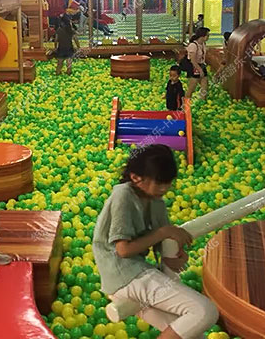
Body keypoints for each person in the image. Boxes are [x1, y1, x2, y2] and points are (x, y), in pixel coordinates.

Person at [92, 145, 218, 339]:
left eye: (168, 182)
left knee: (192, 334)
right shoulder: (123, 195)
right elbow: (123, 250)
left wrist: (175, 254)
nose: (165, 188)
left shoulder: (155, 200)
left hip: (136, 272)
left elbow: (163, 240)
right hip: (125, 274)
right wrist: (162, 233)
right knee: (204, 311)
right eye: (159, 182)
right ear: (136, 177)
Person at [183, 27, 210, 102]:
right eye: (207, 35)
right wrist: (200, 70)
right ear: (202, 36)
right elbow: (193, 61)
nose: (208, 37)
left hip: (201, 65)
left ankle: (202, 102)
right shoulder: (193, 45)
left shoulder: (203, 44)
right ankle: (186, 104)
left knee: (205, 85)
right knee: (192, 88)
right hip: (194, 67)